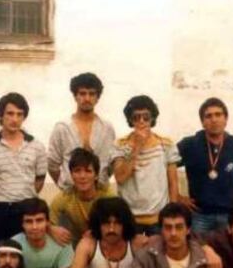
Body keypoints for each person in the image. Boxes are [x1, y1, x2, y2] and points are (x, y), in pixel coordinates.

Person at [178, 97, 233, 234]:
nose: (214, 119)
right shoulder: (190, 144)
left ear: (226, 119)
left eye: (218, 114)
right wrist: (177, 196)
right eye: (208, 116)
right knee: (199, 253)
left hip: (229, 214)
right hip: (199, 216)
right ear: (202, 122)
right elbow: (165, 166)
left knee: (228, 253)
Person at [0, 92, 47, 268]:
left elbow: (39, 179)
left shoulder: (37, 146)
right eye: (10, 114)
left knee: (22, 260)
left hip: (25, 210)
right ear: (1, 116)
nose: (15, 119)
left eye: (20, 114)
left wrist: (23, 195)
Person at [111, 95, 180, 235]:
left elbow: (173, 182)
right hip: (129, 217)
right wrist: (137, 147)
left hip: (159, 217)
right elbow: (120, 177)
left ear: (153, 118)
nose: (141, 121)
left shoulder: (166, 144)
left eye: (146, 117)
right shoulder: (120, 145)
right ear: (130, 120)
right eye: (136, 117)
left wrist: (172, 213)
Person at [48, 72, 115, 190]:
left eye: (92, 94)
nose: (87, 98)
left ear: (97, 98)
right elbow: (52, 164)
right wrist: (66, 185)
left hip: (100, 194)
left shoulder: (107, 128)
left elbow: (110, 164)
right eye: (82, 93)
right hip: (69, 192)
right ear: (75, 96)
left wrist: (100, 182)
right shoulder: (62, 128)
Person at [50, 148, 114, 246]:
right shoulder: (66, 196)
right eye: (77, 171)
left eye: (88, 171)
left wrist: (96, 232)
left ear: (96, 175)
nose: (82, 176)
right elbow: (48, 219)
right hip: (77, 242)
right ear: (71, 175)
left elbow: (120, 224)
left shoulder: (108, 196)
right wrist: (51, 229)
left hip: (105, 241)